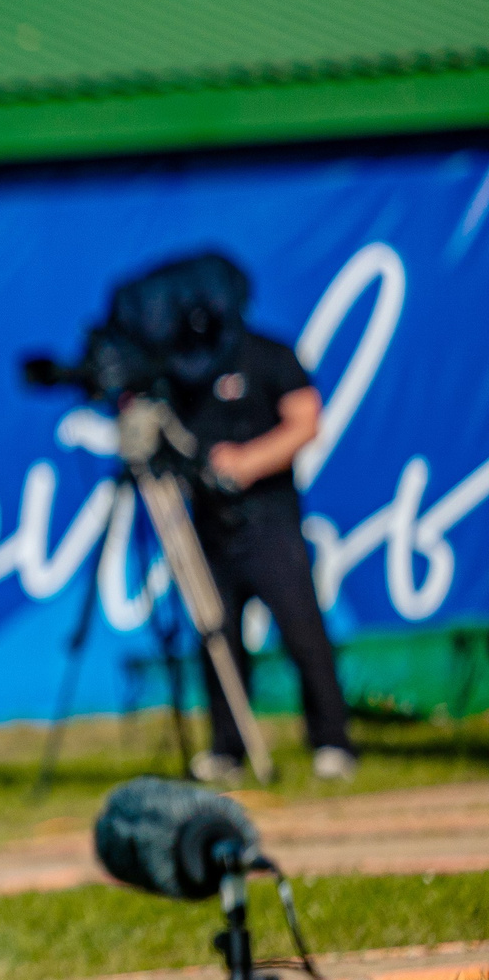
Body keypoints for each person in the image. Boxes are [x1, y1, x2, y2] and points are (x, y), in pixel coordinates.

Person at [170, 313, 352, 783]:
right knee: (217, 635)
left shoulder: (268, 354)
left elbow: (306, 420)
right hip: (209, 528)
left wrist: (247, 462)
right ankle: (227, 748)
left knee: (302, 630)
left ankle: (332, 741)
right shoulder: (178, 366)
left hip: (269, 520)